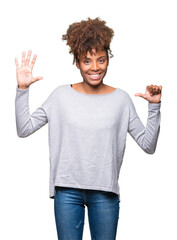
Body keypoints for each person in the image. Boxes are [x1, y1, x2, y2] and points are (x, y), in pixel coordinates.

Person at [15, 17, 162, 240]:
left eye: (101, 60)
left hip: (105, 191)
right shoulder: (60, 96)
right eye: (87, 61)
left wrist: (154, 107)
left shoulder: (121, 100)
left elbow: (148, 145)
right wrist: (22, 89)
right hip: (67, 190)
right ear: (77, 62)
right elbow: (24, 128)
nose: (95, 68)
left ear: (108, 60)